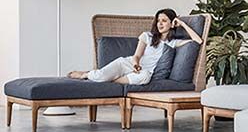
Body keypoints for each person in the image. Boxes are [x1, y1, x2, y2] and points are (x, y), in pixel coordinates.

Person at [68, 9, 202, 85]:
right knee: (99, 77)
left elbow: (198, 41)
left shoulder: (173, 43)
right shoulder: (147, 36)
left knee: (145, 78)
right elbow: (137, 55)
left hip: (145, 72)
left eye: (164, 21)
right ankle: (85, 74)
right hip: (129, 64)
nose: (160, 24)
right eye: (158, 21)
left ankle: (112, 80)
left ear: (172, 23)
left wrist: (183, 24)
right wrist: (135, 64)